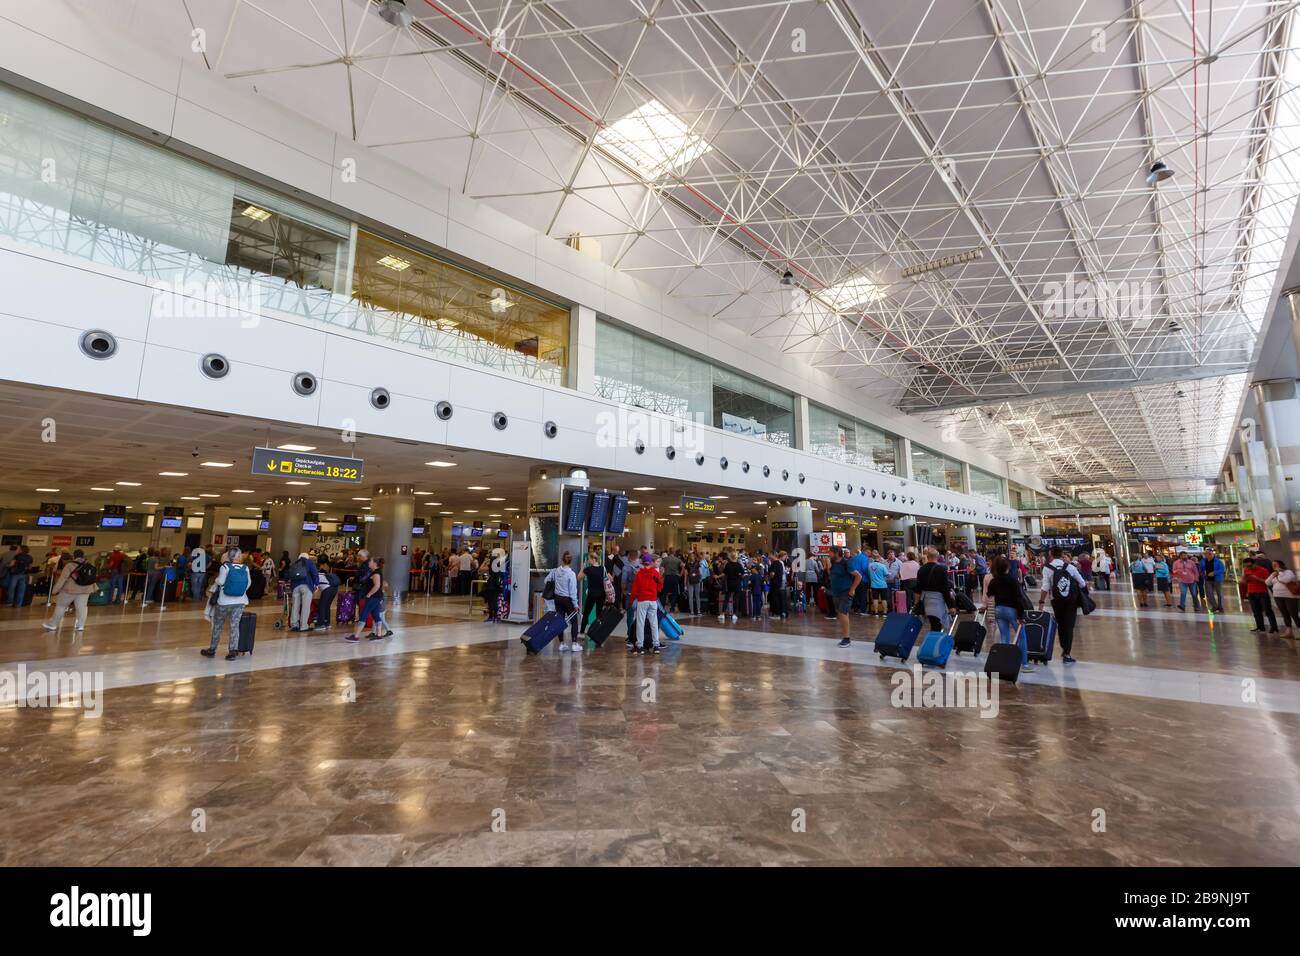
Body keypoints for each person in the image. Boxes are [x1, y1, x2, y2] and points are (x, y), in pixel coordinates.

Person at [981, 555, 1033, 672]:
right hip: (1012, 610)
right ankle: (1024, 664)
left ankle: (1005, 662)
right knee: (1021, 636)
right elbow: (1018, 598)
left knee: (1004, 636)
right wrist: (1021, 615)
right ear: (1007, 568)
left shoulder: (994, 580)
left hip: (999, 610)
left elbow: (989, 593)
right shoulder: (1012, 580)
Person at [1039, 546, 1088, 664]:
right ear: (1061, 554)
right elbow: (1082, 583)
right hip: (1071, 601)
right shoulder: (1070, 567)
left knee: (1060, 624)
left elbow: (1045, 586)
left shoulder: (1047, 568)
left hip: (1056, 601)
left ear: (1051, 554)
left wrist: (1041, 602)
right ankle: (1067, 653)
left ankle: (1063, 647)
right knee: (1069, 626)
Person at [202, 547, 250, 661]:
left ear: (229, 557)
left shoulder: (225, 567)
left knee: (218, 625)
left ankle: (212, 650)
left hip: (224, 602)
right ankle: (232, 652)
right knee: (235, 626)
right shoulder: (245, 568)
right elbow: (248, 584)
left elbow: (221, 581)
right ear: (239, 556)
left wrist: (218, 581)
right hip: (240, 602)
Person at [41, 549, 97, 633]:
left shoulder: (70, 565)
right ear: (83, 555)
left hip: (70, 590)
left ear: (74, 556)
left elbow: (62, 579)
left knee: (61, 606)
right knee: (82, 607)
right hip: (86, 589)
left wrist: (55, 590)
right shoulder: (89, 564)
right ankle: (80, 625)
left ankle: (52, 625)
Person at [544, 550, 581, 652]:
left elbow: (546, 580)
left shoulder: (556, 571)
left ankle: (562, 644)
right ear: (570, 561)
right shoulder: (571, 574)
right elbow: (573, 591)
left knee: (560, 621)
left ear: (562, 560)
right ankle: (574, 644)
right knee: (574, 622)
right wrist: (575, 604)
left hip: (558, 599)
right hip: (567, 600)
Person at [349, 555, 390, 643]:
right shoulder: (375, 572)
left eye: (370, 561)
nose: (369, 562)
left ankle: (356, 636)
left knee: (363, 614)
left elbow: (377, 585)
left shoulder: (376, 573)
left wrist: (369, 594)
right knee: (376, 615)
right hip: (376, 597)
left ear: (375, 563)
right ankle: (378, 634)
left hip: (373, 597)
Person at [629, 554, 664, 655]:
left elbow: (635, 589)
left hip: (642, 600)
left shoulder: (639, 574)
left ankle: (639, 646)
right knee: (654, 623)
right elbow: (660, 586)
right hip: (653, 601)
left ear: (642, 562)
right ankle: (656, 646)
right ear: (650, 562)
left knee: (640, 623)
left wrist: (632, 600)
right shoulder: (655, 573)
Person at [827, 546, 861, 648]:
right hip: (836, 592)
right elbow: (832, 575)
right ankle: (845, 636)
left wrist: (852, 589)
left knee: (843, 613)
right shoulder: (833, 563)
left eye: (830, 553)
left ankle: (846, 638)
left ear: (837, 553)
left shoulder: (846, 563)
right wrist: (827, 566)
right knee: (842, 614)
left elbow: (858, 576)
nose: (829, 554)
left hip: (845, 592)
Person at [915, 547, 955, 633]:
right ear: (937, 557)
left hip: (926, 600)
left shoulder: (921, 569)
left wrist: (916, 603)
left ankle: (934, 642)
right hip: (938, 601)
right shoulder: (942, 569)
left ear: (927, 557)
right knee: (937, 625)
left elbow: (918, 589)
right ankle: (935, 644)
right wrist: (950, 606)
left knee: (934, 624)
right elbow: (945, 588)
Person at [286, 552, 320, 632]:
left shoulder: (294, 563)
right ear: (307, 557)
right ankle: (304, 626)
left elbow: (288, 574)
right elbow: (315, 573)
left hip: (295, 586)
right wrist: (316, 584)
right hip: (306, 585)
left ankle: (294, 625)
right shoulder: (309, 562)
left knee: (295, 606)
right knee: (306, 606)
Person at [1244, 557, 1278, 634]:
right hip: (1251, 592)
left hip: (1262, 592)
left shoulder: (1263, 570)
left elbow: (1267, 582)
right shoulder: (1246, 569)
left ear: (1254, 564)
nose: (1248, 568)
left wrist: (1255, 578)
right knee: (1256, 611)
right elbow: (1244, 581)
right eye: (1246, 566)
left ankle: (1274, 627)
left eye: (1249, 566)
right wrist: (1244, 579)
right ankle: (1260, 627)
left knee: (1268, 610)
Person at [1266, 560, 1299, 639]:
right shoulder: (1274, 574)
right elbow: (1267, 583)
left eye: (1275, 565)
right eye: (1272, 565)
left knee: (1293, 614)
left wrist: (1280, 572)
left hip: (1290, 596)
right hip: (1278, 596)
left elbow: (1286, 580)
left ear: (1281, 565)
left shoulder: (1288, 572)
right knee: (1285, 614)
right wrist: (1272, 575)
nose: (1273, 566)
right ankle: (1289, 632)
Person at [577, 550, 607, 636]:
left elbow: (578, 578)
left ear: (593, 559)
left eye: (589, 559)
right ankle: (598, 633)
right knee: (599, 614)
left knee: (586, 613)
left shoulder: (588, 569)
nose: (589, 561)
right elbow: (609, 579)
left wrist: (582, 567)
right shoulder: (603, 568)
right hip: (601, 594)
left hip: (592, 594)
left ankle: (582, 632)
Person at [314, 560, 340, 630]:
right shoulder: (322, 573)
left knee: (321, 606)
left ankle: (321, 624)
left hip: (327, 589)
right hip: (334, 589)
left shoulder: (315, 575)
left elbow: (315, 587)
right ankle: (327, 623)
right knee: (327, 606)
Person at [720, 550, 743, 623]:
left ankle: (723, 614)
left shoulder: (728, 564)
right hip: (737, 584)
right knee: (736, 599)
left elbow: (724, 574)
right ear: (736, 556)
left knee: (727, 598)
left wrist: (717, 576)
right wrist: (739, 576)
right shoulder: (739, 565)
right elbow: (742, 574)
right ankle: (734, 615)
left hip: (729, 583)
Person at [867, 551, 889, 616]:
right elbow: (886, 574)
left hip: (874, 585)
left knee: (875, 599)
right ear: (879, 559)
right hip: (883, 585)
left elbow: (869, 574)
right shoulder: (883, 566)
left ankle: (876, 612)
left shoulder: (870, 566)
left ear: (873, 559)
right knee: (884, 599)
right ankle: (885, 612)